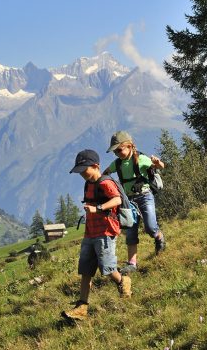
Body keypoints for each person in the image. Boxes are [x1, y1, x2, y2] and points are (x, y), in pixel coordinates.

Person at [62, 149, 132, 322]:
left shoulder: (105, 183)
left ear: (96, 166)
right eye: (79, 171)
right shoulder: (89, 184)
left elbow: (116, 199)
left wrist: (98, 208)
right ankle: (82, 307)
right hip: (90, 232)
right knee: (86, 270)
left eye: (84, 170)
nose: (82, 174)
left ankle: (123, 280)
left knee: (108, 269)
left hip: (106, 232)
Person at [103, 131, 166, 274]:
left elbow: (161, 166)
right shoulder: (117, 163)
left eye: (119, 150)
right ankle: (132, 263)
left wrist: (158, 163)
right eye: (115, 152)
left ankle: (159, 237)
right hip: (128, 201)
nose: (117, 154)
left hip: (145, 196)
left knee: (150, 227)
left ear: (130, 146)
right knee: (131, 232)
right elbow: (105, 174)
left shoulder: (142, 159)